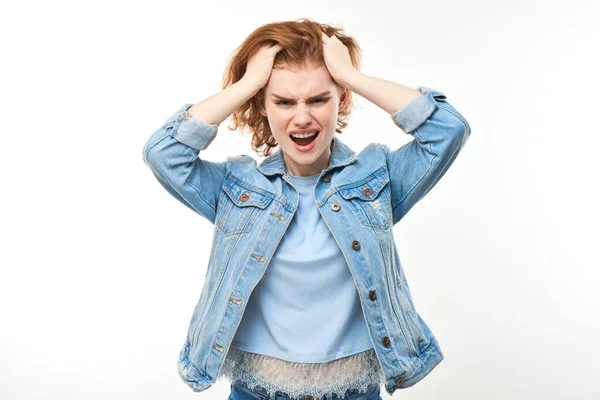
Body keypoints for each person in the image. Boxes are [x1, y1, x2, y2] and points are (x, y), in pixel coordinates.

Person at [142, 18, 471, 400]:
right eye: (283, 101)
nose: (302, 117)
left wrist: (348, 75)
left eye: (319, 99)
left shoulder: (378, 180)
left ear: (341, 100)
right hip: (258, 390)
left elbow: (447, 130)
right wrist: (248, 85)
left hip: (353, 390)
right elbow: (163, 154)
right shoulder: (236, 188)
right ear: (263, 106)